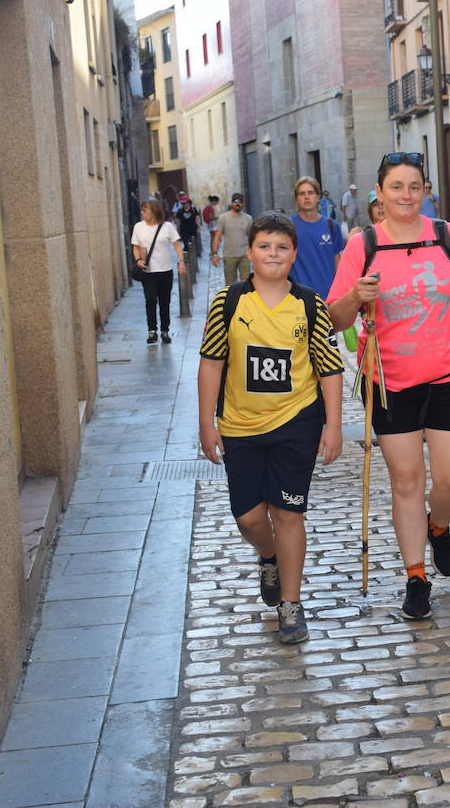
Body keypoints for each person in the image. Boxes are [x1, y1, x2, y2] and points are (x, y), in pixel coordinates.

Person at [327, 152, 450, 621]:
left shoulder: (446, 235)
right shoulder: (364, 245)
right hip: (389, 381)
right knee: (406, 481)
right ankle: (416, 577)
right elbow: (336, 318)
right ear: (379, 192)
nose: (405, 195)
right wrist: (356, 296)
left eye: (414, 186)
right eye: (396, 186)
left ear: (426, 190)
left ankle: (440, 526)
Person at [198, 211, 345, 645]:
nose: (273, 254)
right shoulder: (229, 303)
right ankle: (268, 556)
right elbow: (211, 363)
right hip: (241, 425)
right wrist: (208, 422)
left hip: (296, 421)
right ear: (250, 252)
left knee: (288, 512)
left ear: (294, 254)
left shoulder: (309, 304)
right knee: (248, 516)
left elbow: (330, 368)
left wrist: (333, 425)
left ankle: (291, 605)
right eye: (265, 246)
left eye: (282, 247)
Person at [130, 198, 187, 344]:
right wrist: (138, 260)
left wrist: (181, 262)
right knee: (150, 301)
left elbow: (177, 246)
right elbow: (135, 246)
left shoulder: (167, 226)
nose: (142, 213)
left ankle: (165, 331)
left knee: (164, 301)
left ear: (154, 210)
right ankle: (152, 331)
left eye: (145, 210)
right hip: (147, 272)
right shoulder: (138, 227)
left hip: (165, 270)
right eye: (142, 210)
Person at [289, 176, 346, 298]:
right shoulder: (288, 227)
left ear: (318, 197)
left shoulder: (331, 226)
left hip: (328, 296)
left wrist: (341, 290)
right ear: (296, 199)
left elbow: (337, 260)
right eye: (302, 194)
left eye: (310, 193)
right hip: (298, 296)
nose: (306, 197)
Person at [215, 193, 253, 283]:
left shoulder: (248, 218)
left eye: (240, 201)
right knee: (230, 285)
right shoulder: (223, 218)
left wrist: (253, 253)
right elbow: (217, 236)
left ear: (243, 204)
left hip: (244, 256)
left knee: (246, 283)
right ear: (231, 203)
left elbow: (252, 237)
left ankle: (244, 297)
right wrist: (214, 253)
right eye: (235, 201)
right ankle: (233, 297)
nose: (237, 203)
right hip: (229, 256)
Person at [204, 195, 221, 263]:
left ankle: (212, 253)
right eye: (217, 201)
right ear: (214, 201)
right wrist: (217, 218)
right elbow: (211, 217)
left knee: (213, 239)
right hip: (213, 225)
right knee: (215, 239)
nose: (217, 203)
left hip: (211, 225)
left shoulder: (208, 207)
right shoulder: (211, 208)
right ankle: (213, 253)